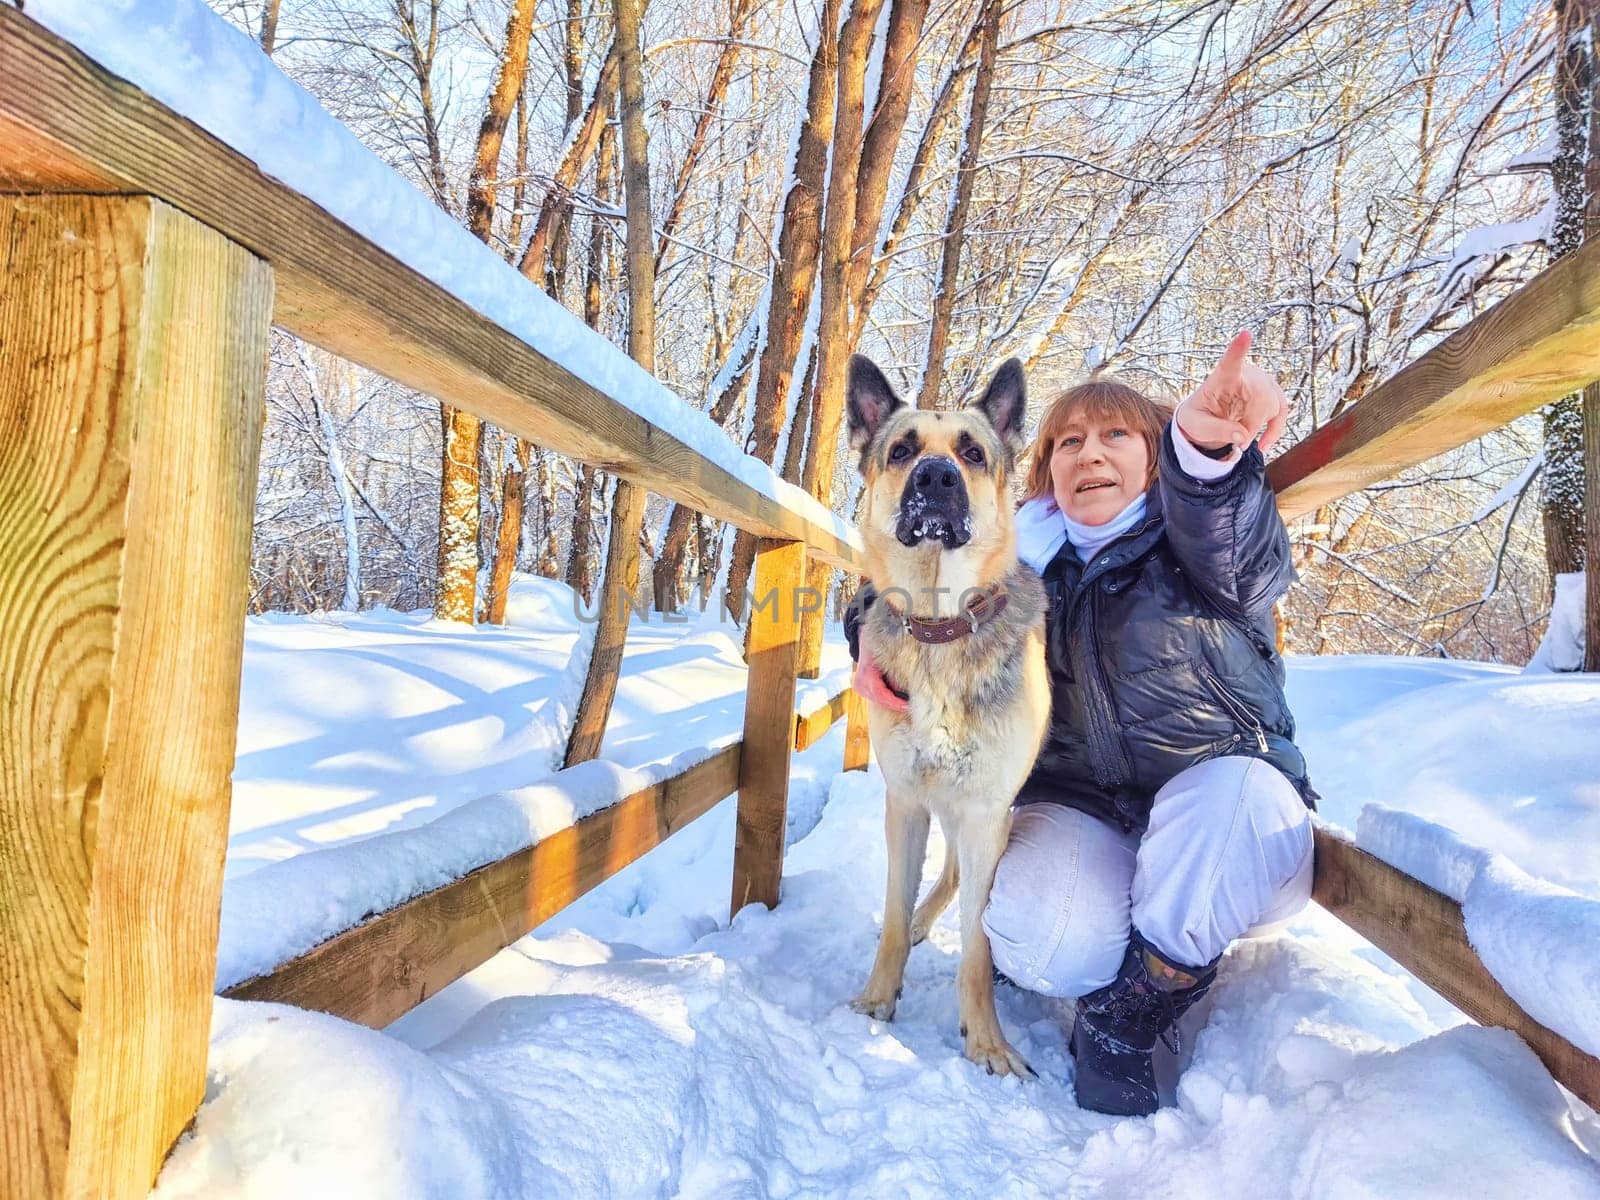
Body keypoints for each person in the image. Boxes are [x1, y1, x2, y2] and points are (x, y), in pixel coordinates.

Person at [845, 332, 1315, 1116]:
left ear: (1159, 454)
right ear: (1042, 470)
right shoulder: (1032, 574)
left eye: (1116, 436)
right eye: (1068, 441)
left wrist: (1204, 454)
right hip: (1092, 823)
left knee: (1232, 802)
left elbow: (1238, 540)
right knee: (1038, 933)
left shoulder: (1203, 539)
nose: (1088, 453)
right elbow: (917, 592)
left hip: (1220, 828)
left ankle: (1130, 1016)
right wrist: (867, 633)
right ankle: (1123, 956)